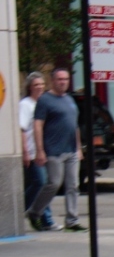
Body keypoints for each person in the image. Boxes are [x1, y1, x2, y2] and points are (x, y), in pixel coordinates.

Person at [28, 68, 87, 233]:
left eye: (66, 79)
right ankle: (34, 212)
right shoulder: (45, 100)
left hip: (71, 150)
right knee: (53, 183)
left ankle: (72, 220)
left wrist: (78, 147)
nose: (63, 82)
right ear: (53, 81)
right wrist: (40, 150)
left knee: (73, 185)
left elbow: (74, 125)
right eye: (60, 79)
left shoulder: (69, 100)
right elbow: (37, 125)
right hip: (53, 150)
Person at [19, 73, 56, 231]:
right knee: (40, 183)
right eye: (36, 85)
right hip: (33, 152)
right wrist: (25, 152)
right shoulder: (26, 105)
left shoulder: (44, 103)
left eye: (41, 84)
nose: (40, 87)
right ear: (29, 88)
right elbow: (22, 129)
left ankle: (46, 220)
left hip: (46, 151)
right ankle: (20, 211)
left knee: (46, 185)